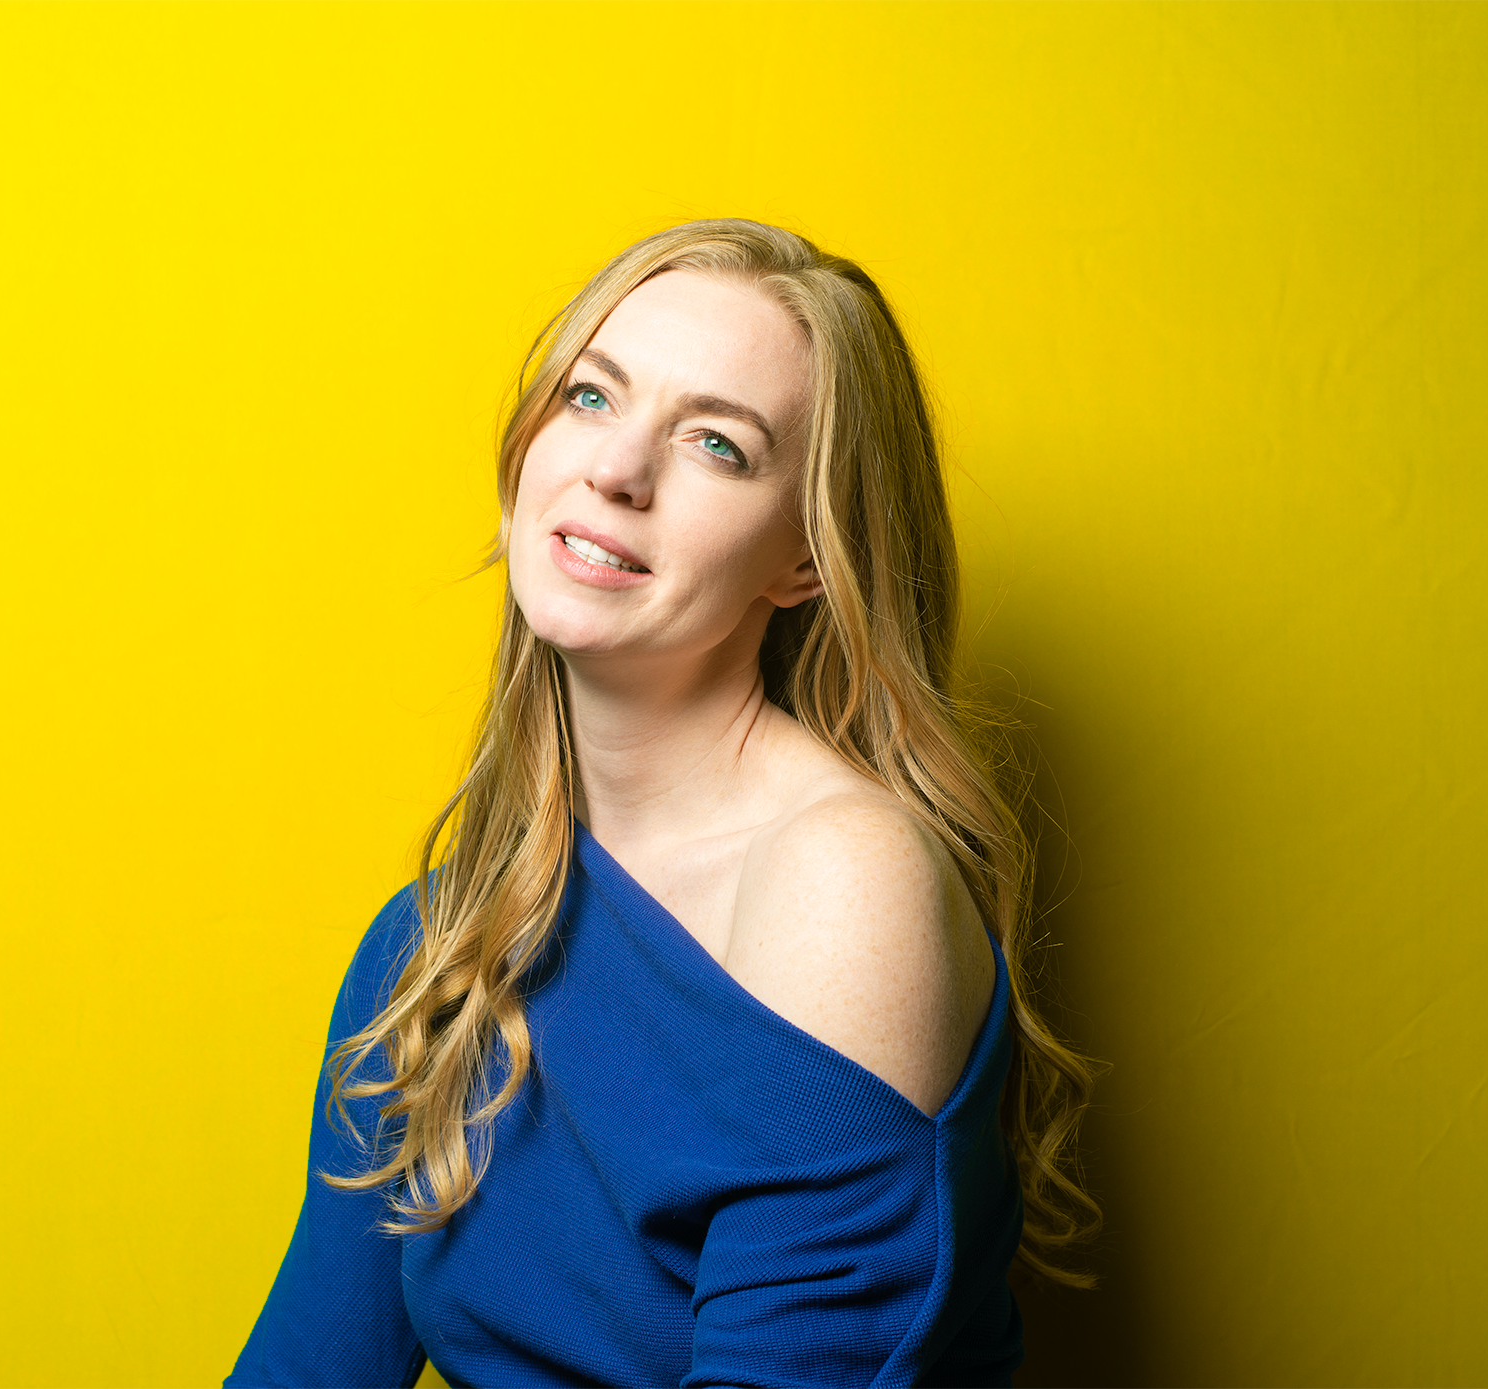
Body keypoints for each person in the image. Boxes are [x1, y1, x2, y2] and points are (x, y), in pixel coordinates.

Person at [226, 219, 1097, 1389]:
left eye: (715, 445)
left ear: (804, 557)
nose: (616, 470)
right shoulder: (435, 945)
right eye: (589, 397)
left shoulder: (841, 879)